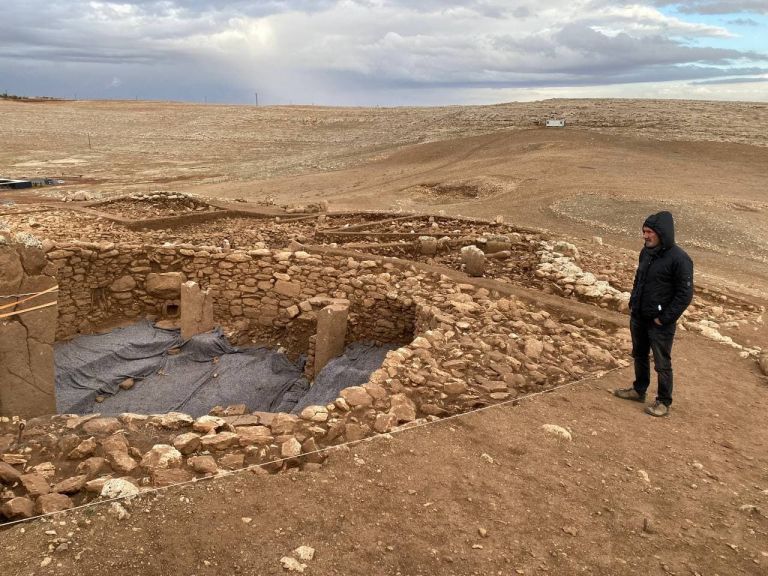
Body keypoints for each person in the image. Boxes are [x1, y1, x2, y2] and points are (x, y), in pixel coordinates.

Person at [614, 211, 693, 417]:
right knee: (639, 355)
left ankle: (663, 402)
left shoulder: (680, 259)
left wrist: (664, 318)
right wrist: (633, 302)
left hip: (660, 323)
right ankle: (639, 390)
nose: (645, 236)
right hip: (640, 315)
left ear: (662, 233)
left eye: (649, 232)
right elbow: (638, 279)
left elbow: (684, 295)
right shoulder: (646, 252)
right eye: (644, 231)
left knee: (662, 363)